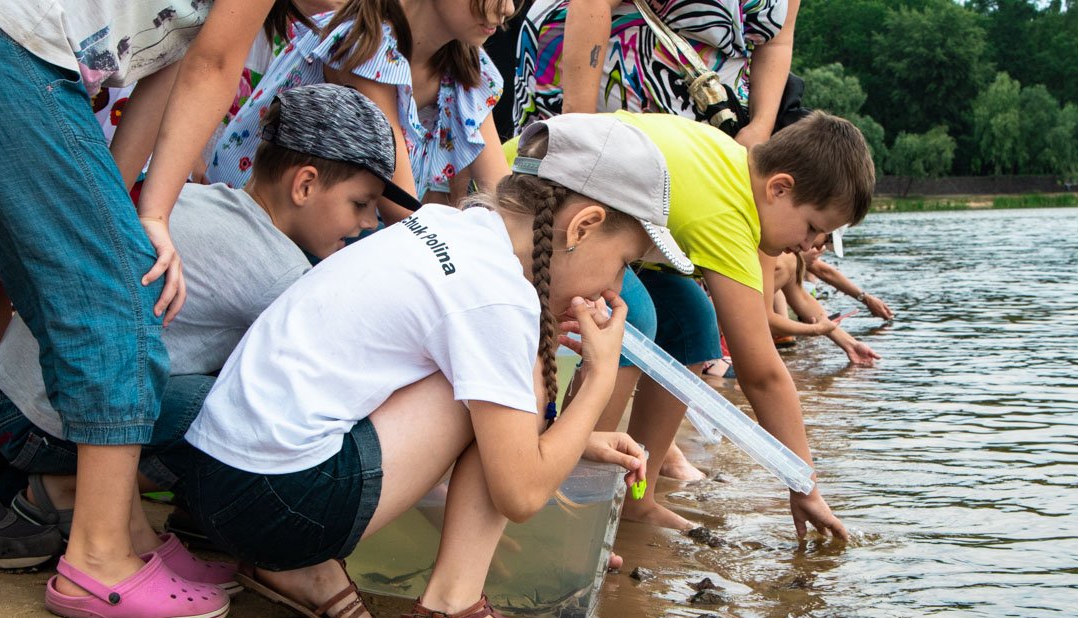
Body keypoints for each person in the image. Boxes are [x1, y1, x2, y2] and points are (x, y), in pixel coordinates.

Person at [157, 113, 679, 618]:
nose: (617, 286)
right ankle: (454, 616)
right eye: (624, 263)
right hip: (282, 508)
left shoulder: (446, 227)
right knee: (507, 374)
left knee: (493, 382)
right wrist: (599, 379)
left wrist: (569, 439)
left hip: (214, 486)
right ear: (582, 226)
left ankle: (296, 565)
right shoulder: (499, 296)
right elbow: (521, 492)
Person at [0, 0, 314, 618]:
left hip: (36, 63)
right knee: (121, 295)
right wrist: (144, 225)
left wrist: (127, 219)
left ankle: (128, 536)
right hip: (24, 55)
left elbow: (163, 73)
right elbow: (214, 64)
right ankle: (98, 559)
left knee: (106, 276)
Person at [0, 85, 392, 585]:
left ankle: (80, 492)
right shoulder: (276, 269)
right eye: (361, 203)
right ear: (306, 185)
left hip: (15, 396)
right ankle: (67, 489)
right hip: (44, 422)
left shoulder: (201, 200)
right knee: (241, 406)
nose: (366, 224)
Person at [592, 110, 874, 538]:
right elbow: (762, 374)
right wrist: (804, 486)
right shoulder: (730, 217)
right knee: (634, 319)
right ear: (779, 188)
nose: (810, 245)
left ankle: (636, 500)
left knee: (692, 322)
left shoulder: (733, 163)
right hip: (539, 213)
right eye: (814, 227)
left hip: (598, 222)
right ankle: (579, 490)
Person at [208, 0, 512, 219]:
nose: (508, 8)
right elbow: (401, 207)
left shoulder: (468, 70)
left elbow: (503, 198)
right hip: (253, 226)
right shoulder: (364, 46)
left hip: (332, 240)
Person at [513, 0, 798, 148]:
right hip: (595, 80)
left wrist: (760, 127)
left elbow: (778, 40)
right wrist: (579, 125)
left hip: (716, 117)